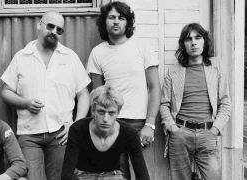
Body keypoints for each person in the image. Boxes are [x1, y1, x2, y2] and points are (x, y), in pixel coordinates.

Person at [0, 11, 91, 180]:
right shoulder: (22, 57)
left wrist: (76, 124)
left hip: (61, 134)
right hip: (29, 135)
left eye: (59, 29)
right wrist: (25, 103)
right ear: (39, 25)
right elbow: (5, 91)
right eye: (50, 26)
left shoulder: (70, 57)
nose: (54, 31)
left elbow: (84, 94)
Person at [86, 1, 160, 179]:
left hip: (139, 123)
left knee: (144, 174)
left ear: (128, 22)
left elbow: (155, 87)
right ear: (105, 22)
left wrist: (150, 124)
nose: (116, 21)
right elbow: (97, 95)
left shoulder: (142, 47)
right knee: (116, 175)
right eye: (111, 17)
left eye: (121, 18)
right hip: (111, 122)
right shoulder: (97, 53)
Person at [160, 23, 231, 180]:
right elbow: (164, 104)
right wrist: (172, 128)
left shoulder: (216, 68)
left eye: (197, 38)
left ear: (204, 41)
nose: (193, 42)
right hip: (180, 133)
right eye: (188, 39)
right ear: (183, 44)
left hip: (208, 133)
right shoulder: (173, 71)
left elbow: (225, 103)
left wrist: (215, 129)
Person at [61, 85, 150, 180]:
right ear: (93, 111)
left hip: (113, 176)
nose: (106, 119)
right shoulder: (78, 129)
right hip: (83, 175)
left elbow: (142, 174)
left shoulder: (129, 133)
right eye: (101, 112)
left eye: (111, 113)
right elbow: (67, 175)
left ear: (118, 113)